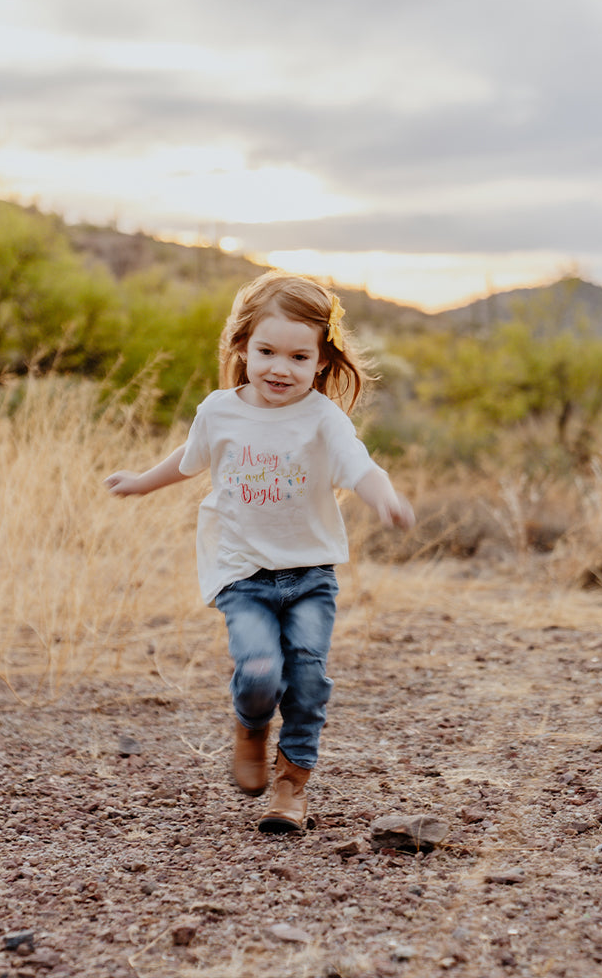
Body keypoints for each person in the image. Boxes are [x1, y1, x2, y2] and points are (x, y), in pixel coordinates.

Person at [105, 270, 414, 833]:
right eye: (267, 351)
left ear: (321, 361)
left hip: (309, 574)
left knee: (309, 677)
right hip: (242, 573)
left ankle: (291, 786)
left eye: (299, 357)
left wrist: (384, 497)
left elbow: (359, 466)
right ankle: (251, 727)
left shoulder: (324, 418)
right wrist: (142, 481)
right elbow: (189, 457)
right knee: (259, 670)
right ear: (241, 346)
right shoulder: (220, 410)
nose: (280, 368)